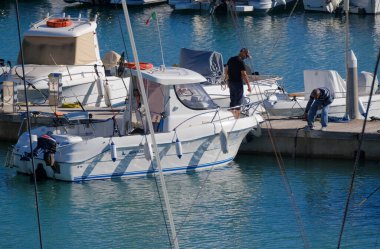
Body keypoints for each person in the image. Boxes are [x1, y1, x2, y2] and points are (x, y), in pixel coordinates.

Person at [224, 48, 252, 119]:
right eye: (246, 55)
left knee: (233, 101)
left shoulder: (230, 59)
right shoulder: (240, 61)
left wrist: (226, 79)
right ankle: (237, 119)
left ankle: (231, 118)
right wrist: (248, 85)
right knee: (238, 102)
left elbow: (226, 70)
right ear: (242, 53)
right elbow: (244, 74)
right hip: (238, 84)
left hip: (231, 83)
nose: (245, 57)